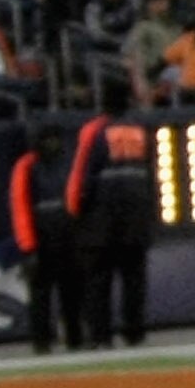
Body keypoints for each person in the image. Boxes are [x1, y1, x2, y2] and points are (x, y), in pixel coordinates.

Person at [67, 69, 157, 347]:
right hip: (136, 218)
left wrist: (74, 210)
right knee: (134, 279)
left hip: (102, 221)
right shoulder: (139, 131)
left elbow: (80, 175)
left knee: (98, 280)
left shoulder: (94, 131)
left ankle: (101, 336)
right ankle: (135, 333)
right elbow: (151, 175)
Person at [8, 118, 83, 354]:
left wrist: (79, 234)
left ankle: (75, 338)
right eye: (46, 139)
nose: (51, 144)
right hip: (40, 241)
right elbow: (20, 207)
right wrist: (28, 246)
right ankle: (42, 342)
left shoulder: (69, 163)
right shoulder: (26, 166)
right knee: (41, 296)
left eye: (54, 139)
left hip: (67, 237)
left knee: (71, 292)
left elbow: (77, 200)